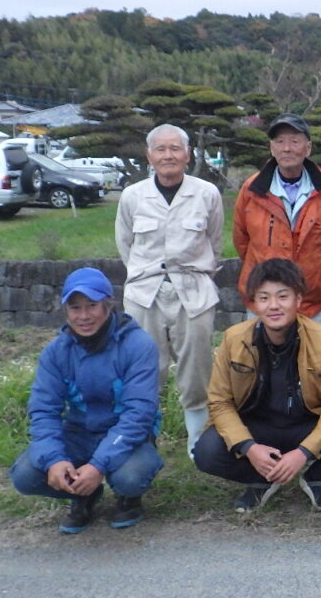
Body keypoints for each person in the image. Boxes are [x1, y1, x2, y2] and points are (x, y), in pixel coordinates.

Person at [193, 258, 321, 512]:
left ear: (298, 300)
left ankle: (316, 478)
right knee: (207, 451)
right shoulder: (234, 339)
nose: (273, 306)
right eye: (264, 298)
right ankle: (261, 479)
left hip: (307, 425)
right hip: (257, 427)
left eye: (282, 296)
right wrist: (249, 448)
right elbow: (220, 402)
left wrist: (303, 453)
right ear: (254, 303)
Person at [10, 267, 163, 533]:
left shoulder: (139, 345)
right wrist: (55, 460)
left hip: (126, 436)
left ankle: (128, 497)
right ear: (66, 311)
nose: (83, 316)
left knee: (130, 477)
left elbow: (138, 415)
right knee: (25, 475)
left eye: (92, 306)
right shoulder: (55, 352)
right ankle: (81, 493)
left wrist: (98, 466)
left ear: (108, 305)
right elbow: (43, 411)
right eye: (75, 308)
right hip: (78, 434)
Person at [115, 123, 224, 456]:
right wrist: (145, 276)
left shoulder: (207, 193)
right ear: (149, 156)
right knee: (144, 368)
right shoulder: (132, 196)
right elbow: (125, 244)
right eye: (160, 149)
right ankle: (143, 439)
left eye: (175, 148)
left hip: (194, 291)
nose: (168, 155)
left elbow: (215, 243)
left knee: (197, 369)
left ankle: (198, 443)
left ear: (188, 154)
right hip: (144, 293)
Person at [233, 113, 321, 324]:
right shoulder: (252, 190)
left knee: (311, 356)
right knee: (261, 357)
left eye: (294, 141)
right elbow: (242, 241)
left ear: (308, 148)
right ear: (271, 148)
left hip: (311, 300)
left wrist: (314, 267)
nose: (287, 148)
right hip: (263, 299)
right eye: (280, 141)